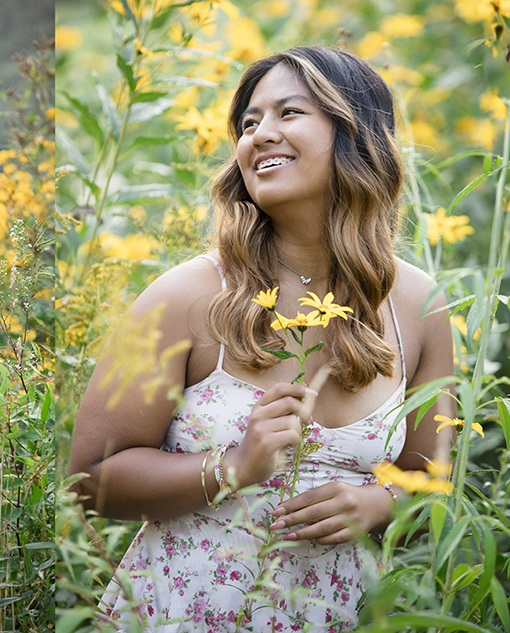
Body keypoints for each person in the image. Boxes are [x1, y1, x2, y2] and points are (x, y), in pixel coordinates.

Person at [68, 46, 454, 632]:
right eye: (249, 123)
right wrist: (234, 466)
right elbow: (89, 480)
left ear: (358, 136)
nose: (259, 135)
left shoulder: (419, 305)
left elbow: (434, 482)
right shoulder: (188, 295)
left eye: (289, 113)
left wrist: (382, 505)